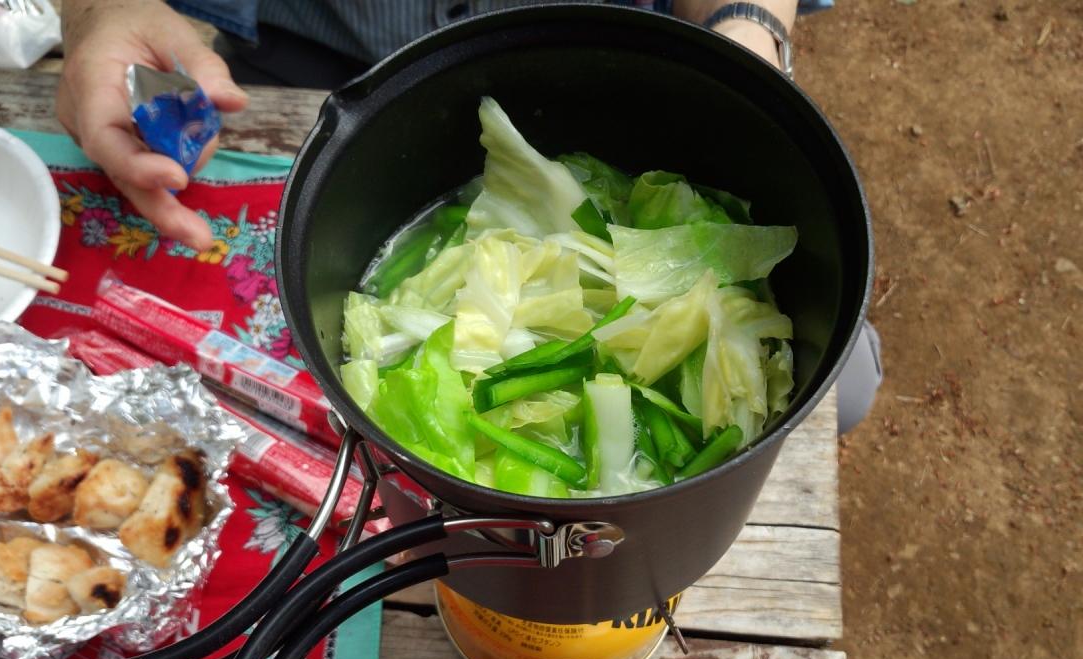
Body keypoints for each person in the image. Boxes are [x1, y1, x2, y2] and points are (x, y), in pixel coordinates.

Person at [56, 0, 879, 433]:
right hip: (306, 58)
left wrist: (748, 29)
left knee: (845, 389)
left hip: (614, 40)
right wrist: (100, 9)